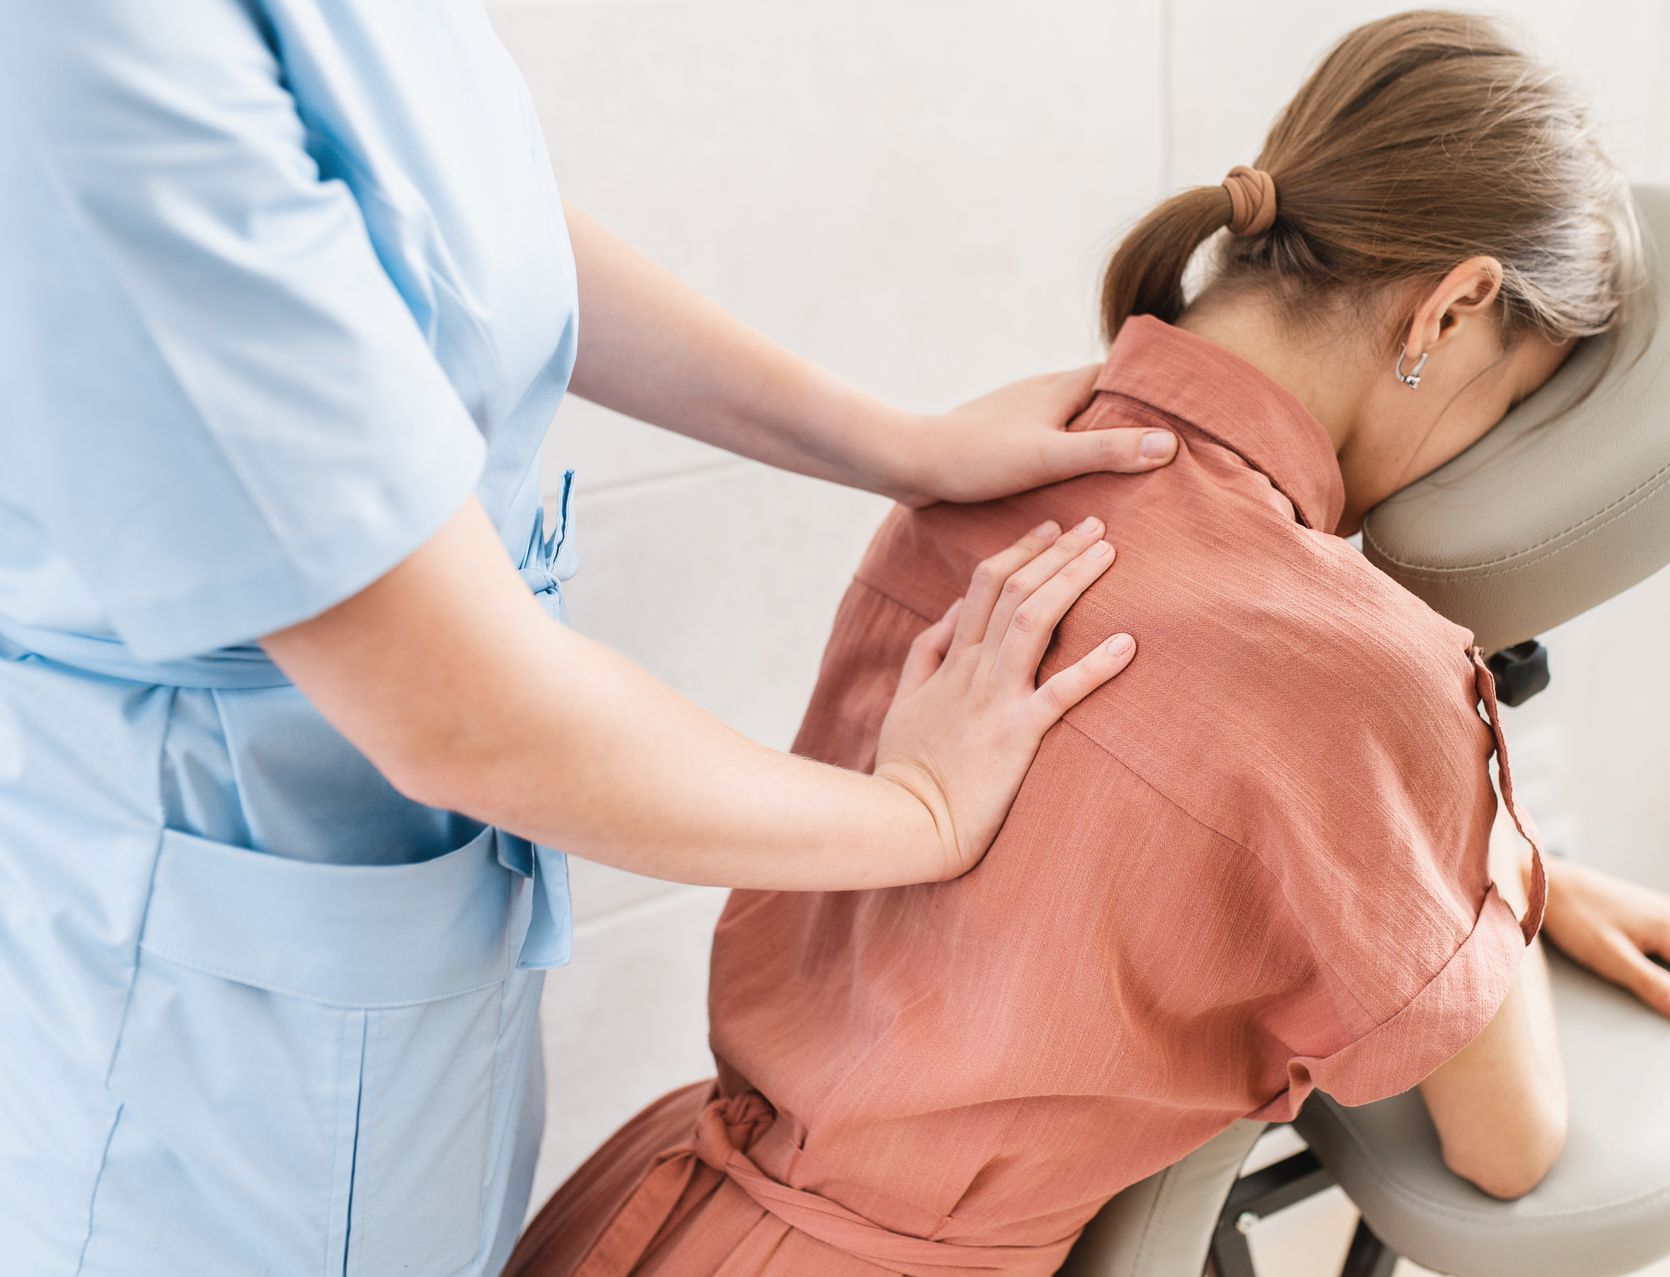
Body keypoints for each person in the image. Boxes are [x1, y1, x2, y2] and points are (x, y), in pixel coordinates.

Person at [510, 13, 1670, 1277]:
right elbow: (1512, 1141)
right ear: (1452, 310)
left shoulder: (1002, 457)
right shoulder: (1365, 673)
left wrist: (1475, 849)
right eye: (1509, 397)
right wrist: (1479, 816)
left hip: (639, 1213)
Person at [0, 4, 1181, 1274]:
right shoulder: (89, 48)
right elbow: (459, 709)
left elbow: (458, 235)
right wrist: (921, 813)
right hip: (208, 984)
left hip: (395, 916)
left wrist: (899, 445)